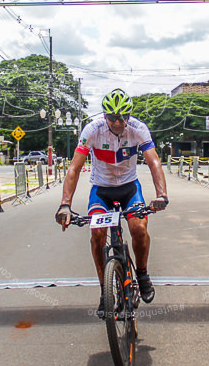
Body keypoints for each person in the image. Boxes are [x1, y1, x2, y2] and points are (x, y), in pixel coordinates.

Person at [55, 89, 168, 316]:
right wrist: (65, 204)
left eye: (123, 117)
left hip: (129, 188)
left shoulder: (138, 129)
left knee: (138, 228)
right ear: (104, 114)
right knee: (97, 234)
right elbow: (74, 167)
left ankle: (143, 275)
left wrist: (161, 195)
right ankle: (105, 291)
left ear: (129, 115)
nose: (118, 122)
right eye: (112, 117)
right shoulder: (92, 130)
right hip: (102, 190)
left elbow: (154, 161)